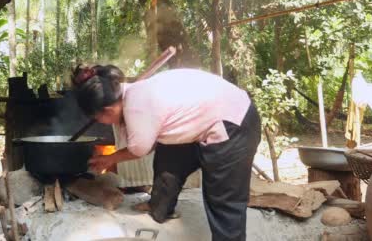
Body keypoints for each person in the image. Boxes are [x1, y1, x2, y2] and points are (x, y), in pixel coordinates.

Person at [72, 64, 261, 241]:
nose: (101, 122)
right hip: (210, 118)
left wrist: (109, 159)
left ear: (107, 111)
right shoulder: (132, 92)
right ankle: (161, 207)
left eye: (98, 118)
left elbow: (139, 149)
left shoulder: (137, 106)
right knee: (169, 156)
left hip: (234, 122)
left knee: (223, 201)